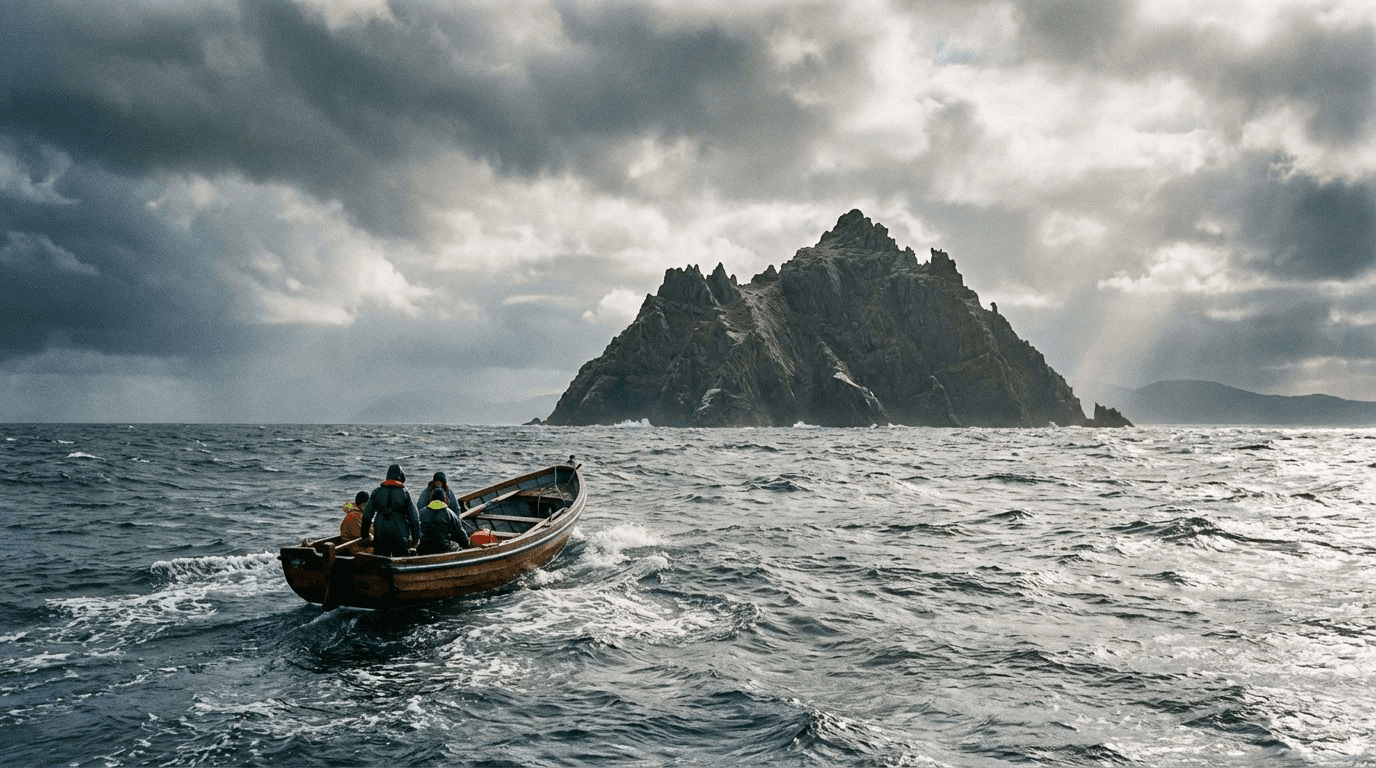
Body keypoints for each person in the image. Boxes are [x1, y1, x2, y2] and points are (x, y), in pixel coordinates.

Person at [360, 464, 421, 557]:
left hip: (381, 534)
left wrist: (364, 535)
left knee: (380, 560)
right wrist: (415, 538)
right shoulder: (405, 493)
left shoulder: (377, 491)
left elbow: (367, 515)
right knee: (401, 560)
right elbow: (414, 518)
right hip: (400, 535)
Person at [417, 490, 471, 554]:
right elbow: (459, 532)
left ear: (431, 499)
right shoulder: (450, 513)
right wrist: (466, 543)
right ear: (445, 499)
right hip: (444, 547)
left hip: (425, 548)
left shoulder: (422, 512)